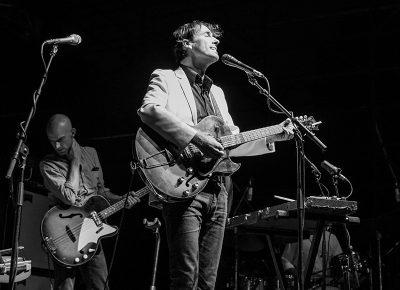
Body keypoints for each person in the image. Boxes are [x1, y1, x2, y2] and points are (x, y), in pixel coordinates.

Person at [136, 20, 295, 289]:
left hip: (220, 188)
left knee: (208, 282)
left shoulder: (217, 92)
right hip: (181, 183)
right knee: (185, 277)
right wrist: (196, 136)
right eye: (207, 35)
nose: (216, 41)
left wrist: (272, 136)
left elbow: (229, 142)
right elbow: (148, 110)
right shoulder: (165, 77)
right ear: (186, 44)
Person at [39, 114, 139, 290]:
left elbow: (101, 193)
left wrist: (121, 199)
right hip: (63, 232)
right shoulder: (48, 165)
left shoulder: (91, 153)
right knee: (65, 287)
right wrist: (75, 160)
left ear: (73, 132)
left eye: (61, 139)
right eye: (52, 141)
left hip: (91, 231)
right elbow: (69, 197)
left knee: (100, 285)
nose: (57, 146)